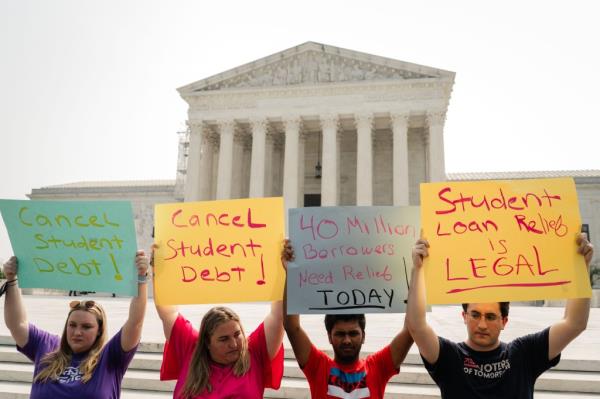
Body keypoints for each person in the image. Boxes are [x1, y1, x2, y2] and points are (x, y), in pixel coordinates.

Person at [406, 233, 594, 398]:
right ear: (464, 316)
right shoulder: (449, 357)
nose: (481, 324)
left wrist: (581, 267)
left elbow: (574, 324)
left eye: (490, 317)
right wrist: (418, 270)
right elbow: (417, 327)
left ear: (504, 321)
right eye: (475, 315)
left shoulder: (523, 354)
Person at [2, 251, 149, 399]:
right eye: (72, 325)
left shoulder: (110, 356)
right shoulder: (46, 346)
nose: (77, 332)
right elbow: (17, 324)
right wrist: (11, 279)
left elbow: (135, 323)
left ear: (99, 330)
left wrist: (142, 277)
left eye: (86, 327)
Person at [282, 240, 414, 399]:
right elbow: (291, 327)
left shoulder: (378, 367)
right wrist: (291, 274)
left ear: (363, 336)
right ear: (329, 337)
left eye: (353, 333)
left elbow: (412, 329)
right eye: (340, 334)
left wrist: (417, 272)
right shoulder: (319, 367)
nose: (347, 340)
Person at [154, 252, 285, 398]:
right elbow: (168, 313)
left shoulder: (254, 352)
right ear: (206, 343)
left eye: (237, 334)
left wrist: (283, 270)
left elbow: (278, 315)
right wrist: (159, 270)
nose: (234, 344)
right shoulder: (191, 347)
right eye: (224, 339)